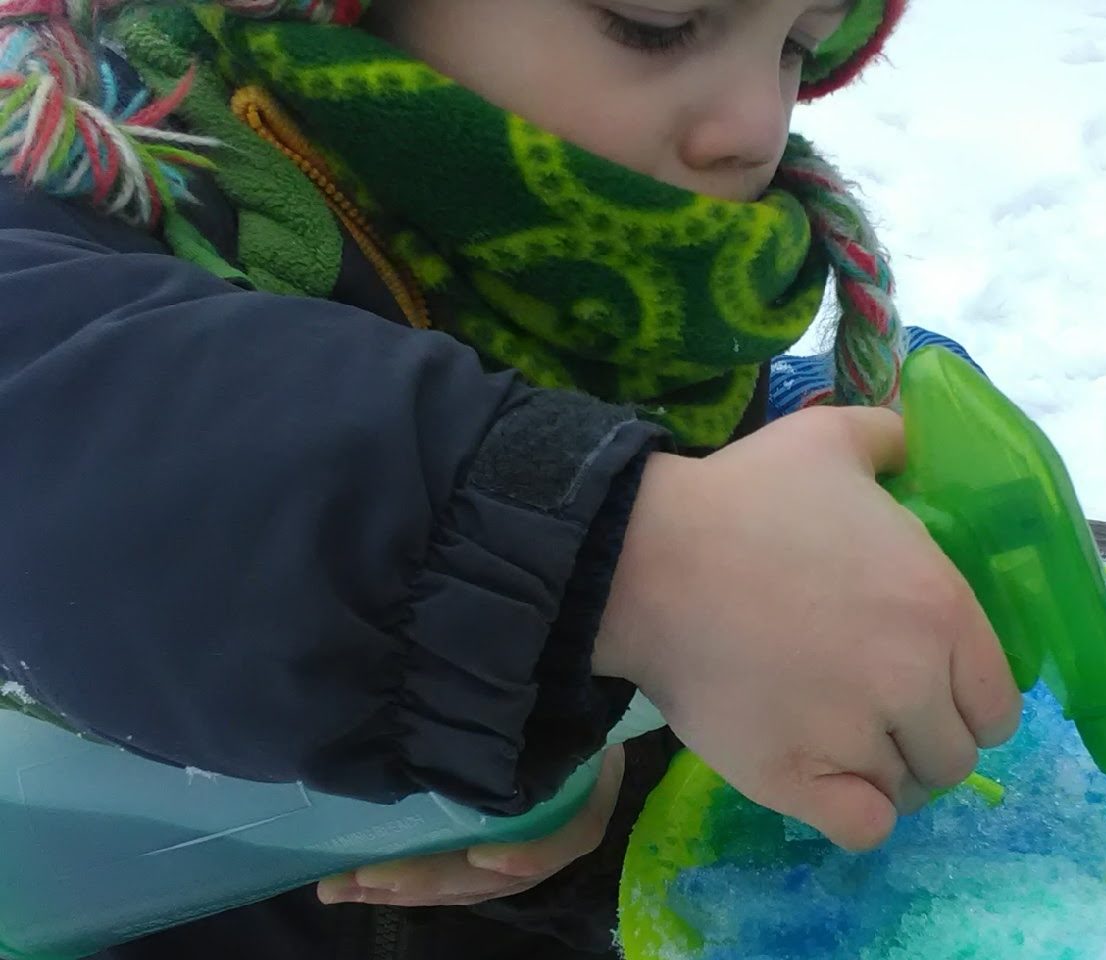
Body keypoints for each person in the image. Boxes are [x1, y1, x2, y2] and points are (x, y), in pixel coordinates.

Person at [0, 1, 1022, 957]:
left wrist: (583, 764)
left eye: (798, 43)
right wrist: (620, 555)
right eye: (654, 20)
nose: (754, 126)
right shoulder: (75, 174)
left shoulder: (643, 297)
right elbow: (67, 442)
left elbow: (664, 722)